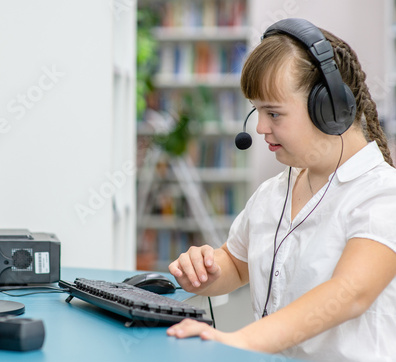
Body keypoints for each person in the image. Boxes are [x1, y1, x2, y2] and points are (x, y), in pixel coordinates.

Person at [166, 18, 396, 361]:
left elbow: (350, 292)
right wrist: (206, 270)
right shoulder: (275, 191)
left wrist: (241, 341)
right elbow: (238, 262)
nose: (259, 128)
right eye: (257, 111)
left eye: (273, 113)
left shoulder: (382, 194)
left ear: (329, 108)